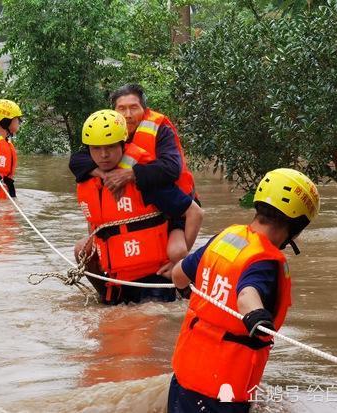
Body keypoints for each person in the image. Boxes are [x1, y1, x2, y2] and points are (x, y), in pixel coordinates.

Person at [167, 168, 320, 413]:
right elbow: (247, 293)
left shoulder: (225, 237)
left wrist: (188, 293)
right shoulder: (265, 261)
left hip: (183, 379)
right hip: (221, 394)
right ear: (298, 224)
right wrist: (257, 316)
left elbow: (178, 275)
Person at [75, 109, 203, 305]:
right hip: (116, 278)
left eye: (110, 147)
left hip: (153, 280)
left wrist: (178, 265)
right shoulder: (89, 177)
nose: (104, 155)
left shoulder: (143, 178)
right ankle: (102, 297)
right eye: (96, 149)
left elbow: (195, 212)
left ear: (122, 143)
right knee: (81, 250)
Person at [70, 83, 198, 262]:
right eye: (121, 109)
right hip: (129, 210)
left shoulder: (159, 129)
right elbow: (77, 161)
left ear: (144, 109)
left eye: (133, 108)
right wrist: (105, 175)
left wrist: (130, 174)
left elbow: (171, 168)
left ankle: (180, 275)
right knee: (82, 251)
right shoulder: (107, 131)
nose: (128, 115)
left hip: (171, 204)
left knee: (176, 252)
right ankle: (106, 287)